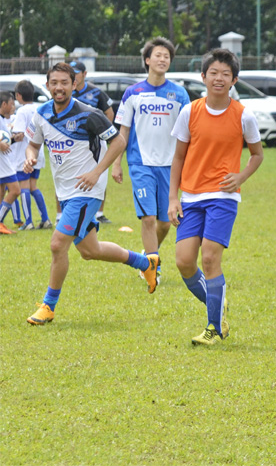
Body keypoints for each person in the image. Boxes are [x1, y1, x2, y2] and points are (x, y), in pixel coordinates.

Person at [24, 62, 160, 326]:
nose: (59, 87)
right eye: (54, 82)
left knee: (56, 244)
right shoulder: (41, 114)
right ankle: (145, 263)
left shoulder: (89, 114)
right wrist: (30, 158)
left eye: (65, 82)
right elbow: (32, 145)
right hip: (65, 192)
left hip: (87, 191)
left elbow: (118, 141)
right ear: (48, 85)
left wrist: (97, 172)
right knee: (90, 250)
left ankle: (48, 307)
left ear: (74, 84)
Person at [168, 48, 263, 346]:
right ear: (203, 77)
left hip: (223, 196)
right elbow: (178, 158)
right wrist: (173, 198)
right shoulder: (190, 111)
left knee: (209, 257)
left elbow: (257, 155)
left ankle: (213, 327)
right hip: (191, 197)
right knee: (184, 262)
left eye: (225, 74)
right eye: (214, 73)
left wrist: (241, 176)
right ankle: (218, 306)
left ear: (234, 80)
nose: (219, 78)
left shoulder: (244, 115)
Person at [113, 37, 190, 283]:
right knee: (147, 218)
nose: (162, 59)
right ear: (147, 60)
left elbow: (189, 132)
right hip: (140, 164)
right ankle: (152, 267)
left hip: (170, 167)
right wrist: (116, 163)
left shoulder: (179, 94)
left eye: (166, 56)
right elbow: (122, 132)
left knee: (166, 223)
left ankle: (147, 255)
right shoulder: (132, 93)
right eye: (158, 55)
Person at [67, 60, 114, 224]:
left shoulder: (95, 92)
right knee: (67, 173)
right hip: (73, 142)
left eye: (77, 72)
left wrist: (103, 132)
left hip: (94, 141)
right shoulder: (67, 92)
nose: (74, 75)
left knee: (99, 173)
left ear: (84, 74)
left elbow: (109, 113)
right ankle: (62, 214)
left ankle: (99, 213)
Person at [12, 80, 52, 230]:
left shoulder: (22, 111)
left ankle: (28, 222)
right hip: (38, 153)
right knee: (33, 186)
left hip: (24, 154)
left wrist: (10, 135)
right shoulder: (38, 108)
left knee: (24, 187)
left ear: (18, 95)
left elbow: (19, 134)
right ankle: (45, 219)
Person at [0, 91, 21, 235]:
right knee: (15, 190)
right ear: (4, 104)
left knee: (1, 192)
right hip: (3, 163)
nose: (13, 107)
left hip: (3, 161)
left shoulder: (3, 119)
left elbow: (4, 142)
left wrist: (13, 139)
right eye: (12, 104)